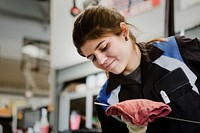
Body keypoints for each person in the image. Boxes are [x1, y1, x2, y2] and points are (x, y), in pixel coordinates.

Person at [72, 5, 200, 133]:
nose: (101, 60)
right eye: (92, 58)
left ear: (124, 32)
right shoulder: (106, 102)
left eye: (104, 47)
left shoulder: (177, 50)